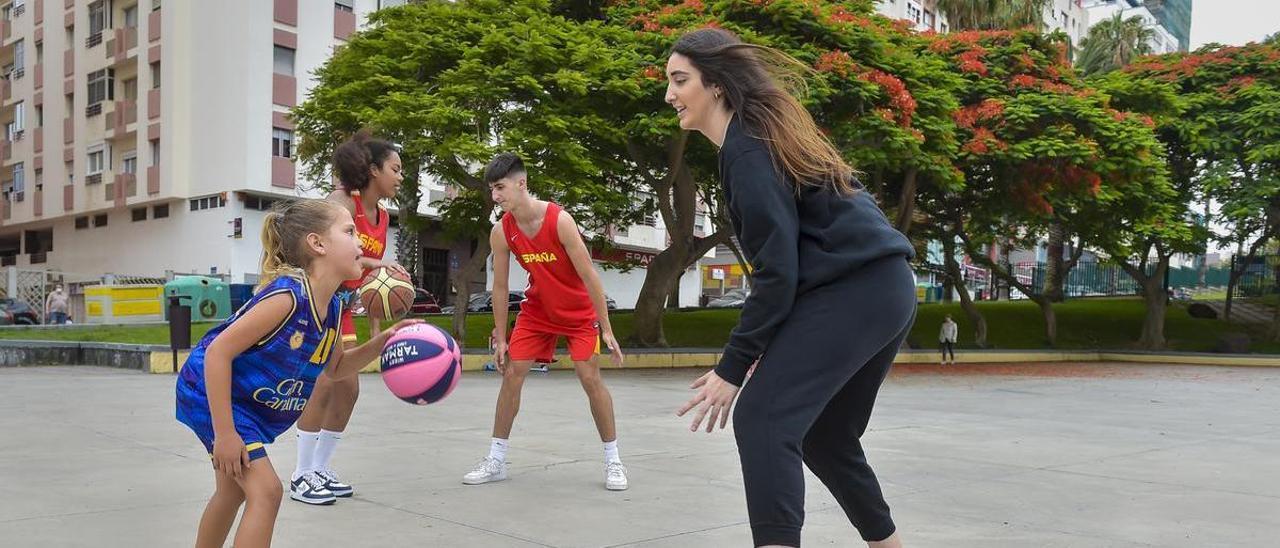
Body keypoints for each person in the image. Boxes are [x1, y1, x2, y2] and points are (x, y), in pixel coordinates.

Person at [667, 29, 916, 547]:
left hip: (856, 291)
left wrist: (732, 367)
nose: (669, 95)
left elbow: (777, 273)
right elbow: (792, 266)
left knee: (762, 418)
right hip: (884, 289)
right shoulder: (758, 137)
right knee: (825, 437)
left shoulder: (748, 149)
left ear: (715, 84)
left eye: (679, 80)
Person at [174, 198, 420, 547]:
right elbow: (217, 353)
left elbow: (335, 368)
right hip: (211, 392)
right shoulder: (287, 297)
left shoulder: (333, 307)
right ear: (317, 244)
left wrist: (383, 341)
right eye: (349, 232)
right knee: (267, 491)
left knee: (232, 493)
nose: (360, 242)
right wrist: (225, 434)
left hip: (243, 402)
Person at [462, 152, 628, 491]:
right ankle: (496, 459)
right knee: (511, 374)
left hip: (578, 313)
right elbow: (500, 286)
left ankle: (613, 460)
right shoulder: (502, 231)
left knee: (588, 376)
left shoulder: (560, 221)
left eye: (500, 188)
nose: (495, 196)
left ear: (521, 184)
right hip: (537, 312)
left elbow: (590, 276)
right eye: (492, 190)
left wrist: (606, 327)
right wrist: (500, 334)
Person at [290, 131, 408, 504]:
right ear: (373, 170)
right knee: (325, 383)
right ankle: (300, 474)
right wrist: (380, 263)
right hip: (319, 300)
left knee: (349, 387)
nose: (400, 176)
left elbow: (362, 271)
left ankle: (320, 467)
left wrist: (380, 297)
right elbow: (323, 250)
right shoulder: (342, 202)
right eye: (395, 168)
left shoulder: (383, 216)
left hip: (344, 305)